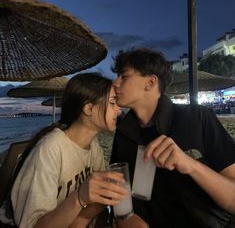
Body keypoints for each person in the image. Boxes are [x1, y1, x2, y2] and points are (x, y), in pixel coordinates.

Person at [0, 72, 148, 228]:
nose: (118, 110)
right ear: (89, 108)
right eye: (112, 103)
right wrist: (79, 198)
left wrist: (82, 219)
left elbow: (101, 197)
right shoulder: (50, 149)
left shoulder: (94, 145)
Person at [110, 48, 235, 228]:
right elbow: (121, 197)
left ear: (150, 82)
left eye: (124, 76)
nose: (115, 83)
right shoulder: (124, 133)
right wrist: (126, 218)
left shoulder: (197, 118)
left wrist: (191, 165)